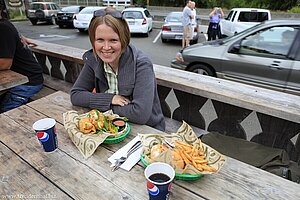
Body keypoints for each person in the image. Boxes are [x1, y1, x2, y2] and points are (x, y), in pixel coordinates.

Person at [70, 7, 165, 131]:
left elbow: (140, 115)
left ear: (123, 40)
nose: (106, 47)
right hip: (110, 127)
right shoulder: (94, 59)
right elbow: (76, 95)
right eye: (100, 40)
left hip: (146, 130)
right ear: (93, 41)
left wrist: (98, 107)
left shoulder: (141, 64)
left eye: (113, 40)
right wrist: (110, 99)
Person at [0, 7, 44, 113]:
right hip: (18, 79)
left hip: (29, 81)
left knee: (6, 113)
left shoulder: (3, 28)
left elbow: (5, 64)